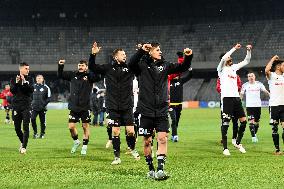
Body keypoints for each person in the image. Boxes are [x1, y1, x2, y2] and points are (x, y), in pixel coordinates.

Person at [128, 42, 193, 180]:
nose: (160, 51)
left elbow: (183, 67)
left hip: (162, 109)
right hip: (145, 110)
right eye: (157, 50)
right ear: (150, 52)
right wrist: (141, 51)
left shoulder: (166, 66)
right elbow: (131, 64)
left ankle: (160, 169)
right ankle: (150, 168)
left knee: (162, 138)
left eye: (160, 49)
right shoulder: (142, 66)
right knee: (147, 141)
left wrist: (188, 57)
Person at [89, 42, 140, 165]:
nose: (125, 56)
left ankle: (132, 149)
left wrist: (140, 52)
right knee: (115, 131)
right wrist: (93, 55)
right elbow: (93, 67)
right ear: (115, 57)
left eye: (125, 54)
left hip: (127, 105)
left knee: (131, 131)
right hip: (113, 106)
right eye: (122, 54)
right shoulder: (107, 68)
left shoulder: (130, 68)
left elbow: (138, 64)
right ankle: (117, 157)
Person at [58, 59, 101, 155]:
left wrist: (92, 70)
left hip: (85, 107)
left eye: (82, 66)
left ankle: (85, 146)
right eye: (79, 65)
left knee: (85, 127)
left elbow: (98, 77)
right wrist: (60, 66)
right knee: (71, 127)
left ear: (86, 67)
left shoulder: (89, 76)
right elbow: (60, 75)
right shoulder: (73, 75)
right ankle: (76, 141)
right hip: (74, 107)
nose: (80, 67)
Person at [217, 43, 252, 156]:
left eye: (230, 58)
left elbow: (246, 61)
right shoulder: (220, 69)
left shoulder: (234, 68)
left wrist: (248, 51)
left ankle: (237, 143)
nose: (230, 58)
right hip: (227, 99)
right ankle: (225, 148)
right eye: (229, 57)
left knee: (243, 121)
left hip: (236, 99)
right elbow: (223, 58)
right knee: (226, 122)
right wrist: (233, 49)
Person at [168, 52, 193, 142]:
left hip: (179, 104)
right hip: (170, 104)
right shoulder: (168, 81)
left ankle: (173, 131)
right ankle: (175, 136)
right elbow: (178, 69)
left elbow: (190, 76)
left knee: (176, 120)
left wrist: (189, 68)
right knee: (174, 120)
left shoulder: (180, 81)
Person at [10, 62, 34, 154]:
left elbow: (30, 90)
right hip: (16, 106)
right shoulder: (13, 79)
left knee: (26, 127)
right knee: (16, 128)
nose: (28, 70)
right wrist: (17, 83)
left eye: (28, 68)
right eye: (26, 68)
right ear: (21, 69)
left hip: (26, 106)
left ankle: (24, 147)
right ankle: (22, 141)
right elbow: (12, 91)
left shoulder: (30, 79)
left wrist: (24, 82)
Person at [240, 72, 269, 143]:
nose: (250, 77)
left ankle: (254, 134)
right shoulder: (245, 85)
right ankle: (253, 137)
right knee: (251, 121)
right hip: (249, 106)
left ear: (254, 76)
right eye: (249, 76)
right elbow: (241, 94)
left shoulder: (259, 84)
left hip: (258, 106)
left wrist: (271, 96)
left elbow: (265, 91)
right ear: (248, 78)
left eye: (252, 76)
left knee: (256, 122)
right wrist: (239, 102)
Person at [265, 55, 284, 155]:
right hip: (274, 106)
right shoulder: (271, 76)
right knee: (275, 128)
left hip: (283, 106)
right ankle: (277, 150)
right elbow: (266, 69)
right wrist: (272, 59)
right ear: (278, 67)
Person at [216, 74, 242, 146]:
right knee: (224, 120)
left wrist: (232, 89)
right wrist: (226, 90)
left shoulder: (236, 76)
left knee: (235, 121)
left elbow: (239, 86)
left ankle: (234, 138)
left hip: (234, 100)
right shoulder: (221, 77)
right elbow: (218, 88)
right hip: (225, 100)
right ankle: (223, 137)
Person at [31, 74, 51, 139]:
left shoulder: (46, 87)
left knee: (42, 122)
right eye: (38, 78)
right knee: (32, 119)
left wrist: (43, 104)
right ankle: (35, 133)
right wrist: (31, 103)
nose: (39, 79)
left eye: (40, 78)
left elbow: (49, 98)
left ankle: (42, 134)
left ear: (42, 79)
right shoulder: (33, 87)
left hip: (42, 108)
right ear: (36, 79)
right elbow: (30, 96)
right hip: (34, 107)